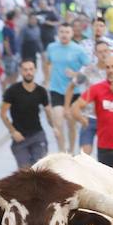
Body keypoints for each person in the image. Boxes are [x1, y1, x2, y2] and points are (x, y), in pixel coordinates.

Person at [1, 58, 57, 168]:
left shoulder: (41, 91)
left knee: (39, 169)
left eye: (31, 69)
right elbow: (3, 114)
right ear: (21, 71)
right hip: (20, 137)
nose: (28, 72)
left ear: (35, 70)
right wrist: (13, 132)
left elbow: (48, 110)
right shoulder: (12, 91)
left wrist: (54, 127)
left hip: (37, 135)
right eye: (25, 70)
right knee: (25, 173)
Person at [44, 22, 90, 154]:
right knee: (58, 121)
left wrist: (76, 74)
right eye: (62, 32)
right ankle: (62, 151)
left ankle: (71, 150)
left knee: (71, 124)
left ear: (72, 34)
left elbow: (89, 69)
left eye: (67, 32)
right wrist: (47, 79)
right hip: (56, 89)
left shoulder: (78, 49)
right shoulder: (52, 47)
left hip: (73, 91)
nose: (64, 35)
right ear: (58, 34)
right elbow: (47, 63)